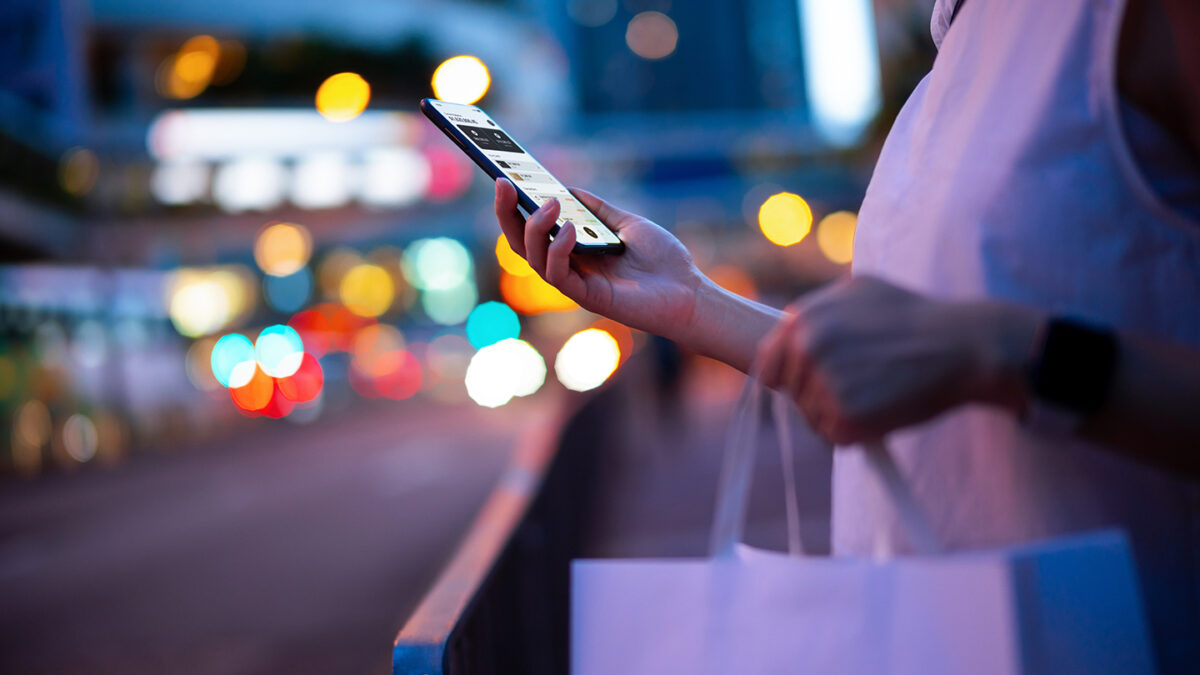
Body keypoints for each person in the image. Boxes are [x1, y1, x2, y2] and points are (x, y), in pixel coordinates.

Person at [494, 0, 1199, 670]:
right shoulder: (955, 47)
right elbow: (923, 352)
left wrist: (1005, 350)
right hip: (938, 637)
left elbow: (966, 343)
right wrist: (692, 302)